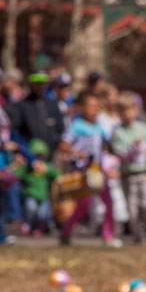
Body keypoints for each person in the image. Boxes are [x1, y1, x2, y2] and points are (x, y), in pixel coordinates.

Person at [58, 91, 119, 247]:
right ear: (82, 108)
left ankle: (108, 236)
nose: (94, 109)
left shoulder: (99, 127)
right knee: (83, 206)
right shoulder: (76, 126)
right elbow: (63, 145)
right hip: (82, 172)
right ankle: (66, 232)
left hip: (97, 171)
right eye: (91, 106)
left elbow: (107, 145)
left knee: (108, 203)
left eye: (96, 107)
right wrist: (77, 153)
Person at [112, 93, 146, 243]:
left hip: (144, 174)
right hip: (128, 176)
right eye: (123, 111)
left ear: (136, 110)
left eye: (130, 110)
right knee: (132, 212)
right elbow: (119, 154)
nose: (127, 114)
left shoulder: (142, 127)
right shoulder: (118, 132)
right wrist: (133, 146)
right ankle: (139, 237)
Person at [8, 72, 66, 155]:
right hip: (29, 154)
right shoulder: (22, 105)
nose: (41, 86)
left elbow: (60, 128)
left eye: (43, 84)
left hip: (51, 153)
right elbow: (17, 130)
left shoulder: (52, 104)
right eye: (37, 84)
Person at [15, 139, 58, 237]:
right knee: (31, 208)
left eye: (40, 156)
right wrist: (18, 164)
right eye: (36, 156)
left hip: (43, 196)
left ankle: (36, 228)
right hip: (30, 194)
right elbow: (16, 175)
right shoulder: (26, 167)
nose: (38, 159)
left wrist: (47, 170)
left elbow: (56, 174)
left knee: (42, 215)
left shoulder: (47, 166)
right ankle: (27, 224)